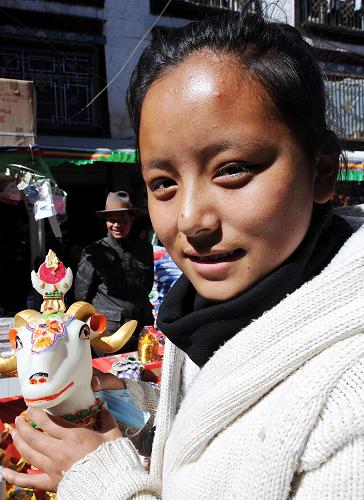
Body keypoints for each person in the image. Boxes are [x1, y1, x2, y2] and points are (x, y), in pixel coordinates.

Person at [2, 11, 364, 499]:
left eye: (233, 169)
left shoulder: (350, 396)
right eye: (163, 183)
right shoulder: (202, 313)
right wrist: (131, 405)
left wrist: (100, 480)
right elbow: (209, 421)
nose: (191, 220)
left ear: (321, 171)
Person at [73, 190, 154, 351]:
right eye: (111, 220)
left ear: (132, 219)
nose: (117, 225)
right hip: (107, 331)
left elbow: (147, 286)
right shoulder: (95, 251)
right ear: (105, 222)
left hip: (140, 326)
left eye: (122, 220)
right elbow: (81, 297)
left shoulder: (145, 248)